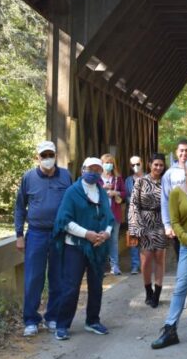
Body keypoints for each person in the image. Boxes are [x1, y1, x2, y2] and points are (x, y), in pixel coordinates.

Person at [14, 141, 73, 337]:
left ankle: (53, 317)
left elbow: (73, 203)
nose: (47, 158)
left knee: (57, 277)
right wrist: (19, 235)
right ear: (37, 157)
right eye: (43, 155)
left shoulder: (65, 175)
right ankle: (31, 319)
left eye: (50, 154)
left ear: (56, 155)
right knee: (33, 278)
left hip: (59, 233)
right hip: (36, 233)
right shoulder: (28, 177)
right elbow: (20, 208)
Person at [52, 157, 114, 341]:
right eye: (90, 168)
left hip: (97, 246)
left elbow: (108, 218)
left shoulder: (101, 193)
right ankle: (62, 324)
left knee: (96, 285)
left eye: (98, 169)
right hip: (76, 245)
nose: (94, 172)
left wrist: (106, 234)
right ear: (82, 170)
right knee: (71, 287)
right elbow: (64, 221)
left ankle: (93, 320)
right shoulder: (73, 192)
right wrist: (87, 234)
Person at [151, 156, 187, 349]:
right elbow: (175, 222)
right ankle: (170, 328)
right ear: (186, 168)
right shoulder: (176, 192)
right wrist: (186, 239)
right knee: (182, 285)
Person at [128, 153, 168, 308]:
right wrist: (135, 226)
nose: (158, 167)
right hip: (144, 222)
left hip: (161, 221)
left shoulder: (166, 182)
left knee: (160, 258)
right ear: (150, 164)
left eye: (161, 165)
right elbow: (133, 204)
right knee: (146, 261)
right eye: (155, 164)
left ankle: (157, 294)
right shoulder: (141, 181)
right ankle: (148, 291)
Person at [161, 138, 187, 244]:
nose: (184, 153)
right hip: (177, 223)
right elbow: (165, 200)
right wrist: (167, 225)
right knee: (180, 256)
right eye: (181, 150)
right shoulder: (169, 174)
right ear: (176, 152)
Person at [100, 154, 126, 275]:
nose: (108, 165)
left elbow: (125, 193)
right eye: (106, 162)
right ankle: (102, 266)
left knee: (113, 240)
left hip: (114, 214)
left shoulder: (117, 179)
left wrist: (115, 192)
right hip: (100, 215)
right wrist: (103, 188)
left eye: (110, 162)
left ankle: (115, 266)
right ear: (101, 164)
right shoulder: (97, 178)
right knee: (101, 238)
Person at [124, 156, 144, 275]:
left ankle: (145, 264)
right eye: (133, 165)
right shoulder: (128, 180)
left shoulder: (149, 177)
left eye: (137, 164)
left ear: (142, 163)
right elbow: (125, 196)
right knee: (134, 240)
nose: (135, 167)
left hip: (147, 214)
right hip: (133, 213)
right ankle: (135, 265)